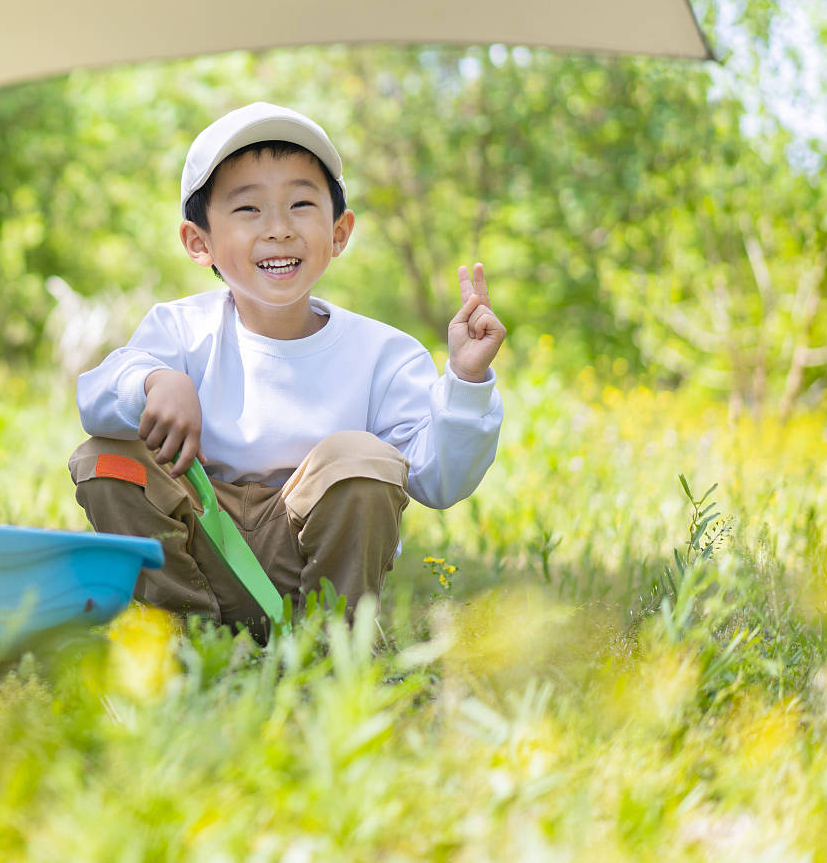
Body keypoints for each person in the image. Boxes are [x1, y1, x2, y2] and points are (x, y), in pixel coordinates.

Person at [69, 102, 503, 633]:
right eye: (248, 209)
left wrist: (467, 381)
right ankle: (180, 639)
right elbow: (96, 399)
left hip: (306, 562)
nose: (278, 229)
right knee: (109, 455)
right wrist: (155, 381)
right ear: (198, 241)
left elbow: (442, 480)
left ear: (339, 232)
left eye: (300, 204)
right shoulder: (180, 330)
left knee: (362, 457)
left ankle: (331, 646)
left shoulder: (384, 353)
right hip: (200, 543)